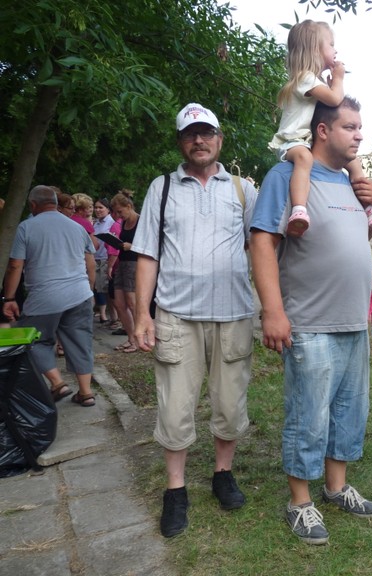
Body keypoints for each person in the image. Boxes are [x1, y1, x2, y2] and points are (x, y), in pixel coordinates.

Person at [251, 96, 372, 546]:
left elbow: (353, 238)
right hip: (308, 320)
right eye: (350, 127)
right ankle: (299, 502)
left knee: (349, 411)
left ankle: (336, 487)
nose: (359, 135)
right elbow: (263, 243)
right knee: (308, 415)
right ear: (322, 130)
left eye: (360, 127)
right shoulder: (287, 176)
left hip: (353, 319)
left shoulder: (351, 182)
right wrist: (273, 311)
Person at [131, 102, 258, 538]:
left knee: (230, 402)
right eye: (190, 134)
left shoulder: (242, 190)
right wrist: (142, 314)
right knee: (174, 407)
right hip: (176, 315)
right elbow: (147, 254)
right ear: (180, 142)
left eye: (206, 133)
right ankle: (175, 489)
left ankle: (223, 473)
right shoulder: (162, 187)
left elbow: (261, 248)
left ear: (219, 139)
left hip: (233, 314)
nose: (199, 140)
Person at [269, 19, 372, 237]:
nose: (335, 50)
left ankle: (370, 208)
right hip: (292, 141)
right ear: (314, 49)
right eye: (330, 44)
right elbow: (335, 99)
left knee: (354, 163)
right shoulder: (305, 78)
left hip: (306, 140)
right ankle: (299, 209)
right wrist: (338, 78)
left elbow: (331, 105)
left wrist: (330, 85)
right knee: (305, 159)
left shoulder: (313, 81)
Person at [1, 185, 97, 406]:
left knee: (33, 339)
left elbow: (15, 265)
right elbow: (90, 263)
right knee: (81, 341)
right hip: (80, 293)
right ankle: (86, 393)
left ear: (33, 205)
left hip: (45, 297)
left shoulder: (26, 228)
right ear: (55, 202)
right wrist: (89, 290)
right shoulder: (77, 227)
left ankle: (57, 383)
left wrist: (9, 298)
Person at [110, 193, 140, 353]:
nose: (118, 215)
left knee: (132, 302)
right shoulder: (123, 223)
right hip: (122, 263)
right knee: (119, 303)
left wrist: (132, 246)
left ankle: (139, 339)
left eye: (120, 211)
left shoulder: (141, 221)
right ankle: (130, 338)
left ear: (129, 206)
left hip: (135, 263)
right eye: (116, 212)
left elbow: (151, 245)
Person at [93, 197, 121, 325]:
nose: (97, 210)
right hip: (97, 258)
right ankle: (112, 318)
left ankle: (115, 318)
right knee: (101, 289)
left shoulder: (111, 223)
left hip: (107, 259)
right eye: (96, 207)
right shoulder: (96, 223)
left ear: (108, 210)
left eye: (101, 207)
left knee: (108, 290)